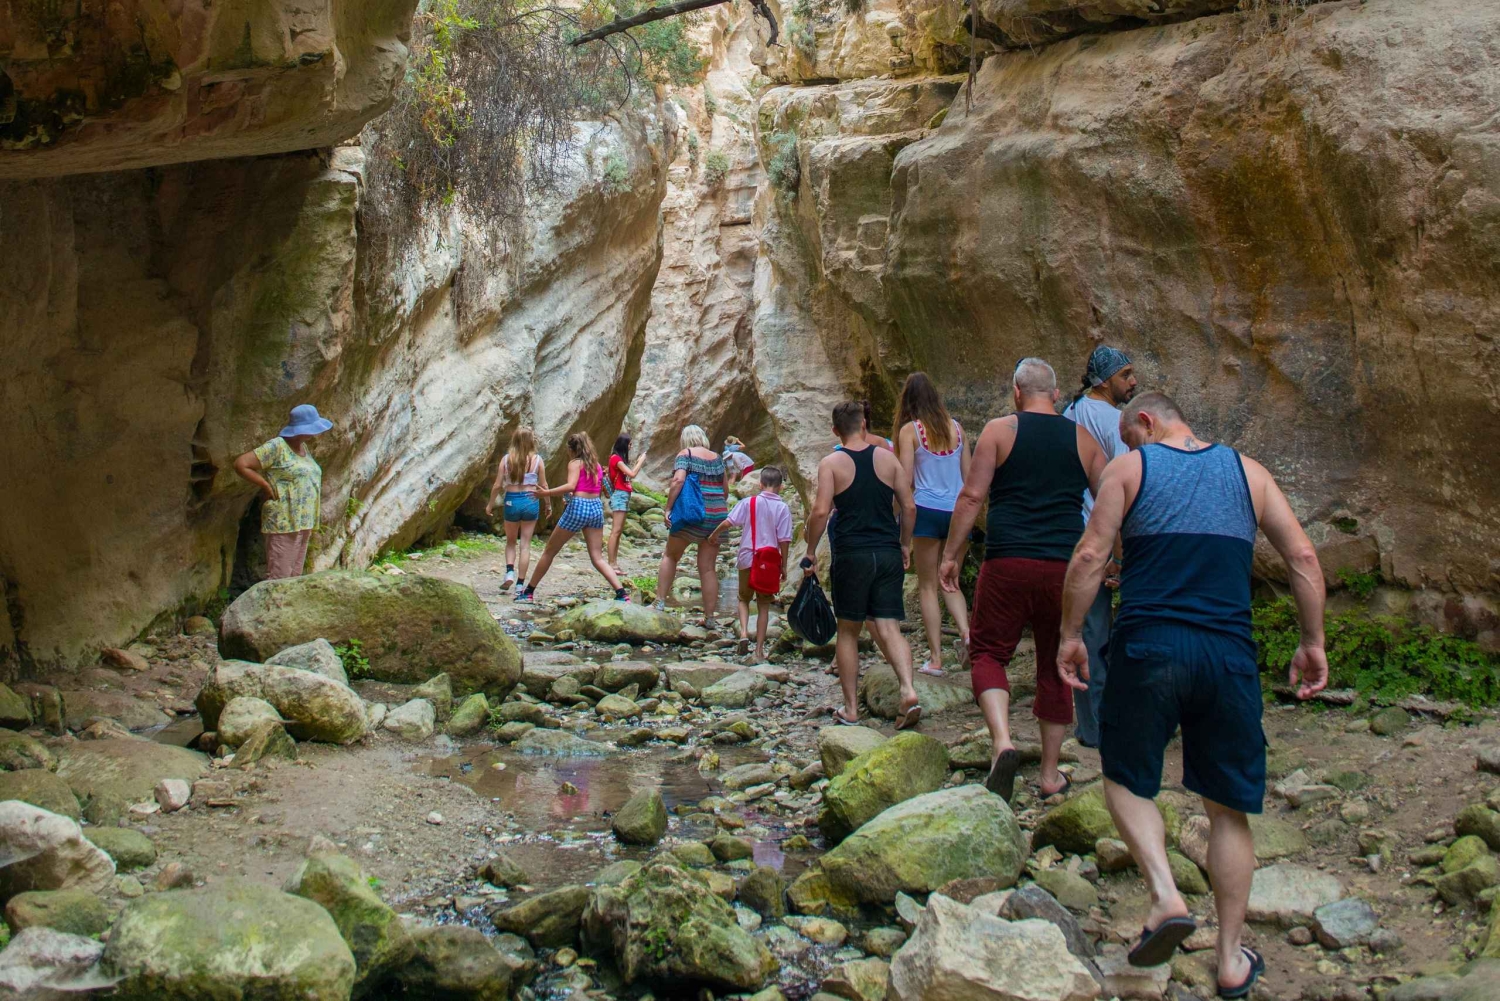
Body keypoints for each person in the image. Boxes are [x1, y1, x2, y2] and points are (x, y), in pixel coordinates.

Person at [1056, 392, 1327, 997]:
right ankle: (1230, 960)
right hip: (1228, 657)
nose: (1129, 449)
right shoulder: (1250, 473)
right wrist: (1313, 642)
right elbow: (1303, 557)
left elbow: (1091, 554)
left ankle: (1165, 894)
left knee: (1125, 779)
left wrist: (1071, 635)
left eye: (1130, 437)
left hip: (1149, 648)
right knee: (1227, 809)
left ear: (1145, 422)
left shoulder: (1130, 469)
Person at [939, 359, 1106, 802]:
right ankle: (1050, 775)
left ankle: (1003, 742)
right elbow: (1112, 504)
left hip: (1008, 560)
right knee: (1058, 661)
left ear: (1016, 392)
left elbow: (973, 496)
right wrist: (1114, 560)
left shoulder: (999, 431)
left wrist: (951, 555)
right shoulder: (1085, 440)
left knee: (989, 652)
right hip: (1063, 570)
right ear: (1054, 395)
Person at [803, 402, 921, 728]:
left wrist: (811, 550)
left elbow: (820, 512)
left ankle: (851, 709)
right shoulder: (887, 458)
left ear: (835, 431)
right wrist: (904, 543)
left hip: (851, 555)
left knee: (848, 631)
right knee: (888, 626)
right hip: (886, 552)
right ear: (865, 425)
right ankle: (909, 690)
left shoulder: (832, 463)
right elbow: (909, 506)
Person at [1060, 346, 1138, 746]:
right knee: (1096, 632)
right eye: (1126, 375)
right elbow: (1120, 490)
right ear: (1105, 381)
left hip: (1066, 530)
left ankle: (1088, 720)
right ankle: (1099, 727)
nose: (1133, 382)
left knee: (1078, 627)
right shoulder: (1115, 421)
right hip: (1099, 533)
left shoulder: (1071, 414)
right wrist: (1120, 556)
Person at [894, 372, 972, 678]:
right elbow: (968, 478)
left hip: (926, 509)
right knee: (950, 581)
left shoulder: (910, 431)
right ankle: (967, 636)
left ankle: (937, 658)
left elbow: (906, 479)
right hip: (957, 513)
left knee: (927, 586)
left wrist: (896, 517)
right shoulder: (957, 429)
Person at [516, 432, 629, 604]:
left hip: (578, 506)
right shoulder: (596, 465)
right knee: (597, 558)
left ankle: (529, 592)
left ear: (571, 449)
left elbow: (571, 485)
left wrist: (546, 493)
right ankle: (622, 593)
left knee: (549, 552)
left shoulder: (575, 463)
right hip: (595, 508)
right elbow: (596, 488)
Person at [233, 404, 334, 580]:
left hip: (303, 521)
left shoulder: (304, 449)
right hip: (284, 520)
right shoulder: (277, 446)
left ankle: (288, 607)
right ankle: (271, 607)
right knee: (280, 577)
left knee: (294, 577)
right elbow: (241, 464)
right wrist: (265, 485)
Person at [709, 465, 793, 660]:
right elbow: (785, 540)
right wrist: (784, 565)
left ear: (760, 484)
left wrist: (714, 535)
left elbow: (729, 522)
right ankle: (759, 650)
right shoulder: (782, 508)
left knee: (743, 599)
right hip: (769, 562)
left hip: (748, 557)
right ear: (780, 487)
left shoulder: (749, 502)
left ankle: (744, 633)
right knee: (764, 605)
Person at [654, 426, 730, 625]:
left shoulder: (685, 454)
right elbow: (725, 490)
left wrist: (668, 508)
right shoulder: (717, 458)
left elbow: (678, 480)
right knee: (708, 569)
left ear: (685, 439)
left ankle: (659, 603)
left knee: (671, 555)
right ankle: (710, 618)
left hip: (692, 514)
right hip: (716, 516)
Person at [485, 427, 553, 595]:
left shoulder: (506, 460)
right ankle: (520, 585)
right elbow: (543, 486)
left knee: (510, 541)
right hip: (531, 500)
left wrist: (490, 504)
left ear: (514, 440)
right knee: (525, 544)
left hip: (512, 501)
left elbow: (497, 485)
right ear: (531, 441)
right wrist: (548, 504)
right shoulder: (538, 460)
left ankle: (509, 572)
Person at [606, 434, 644, 573]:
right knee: (615, 531)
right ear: (623, 444)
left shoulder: (618, 459)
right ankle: (611, 564)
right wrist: (641, 461)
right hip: (620, 495)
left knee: (618, 531)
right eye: (629, 444)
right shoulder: (615, 458)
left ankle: (614, 563)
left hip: (623, 495)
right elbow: (632, 474)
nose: (630, 446)